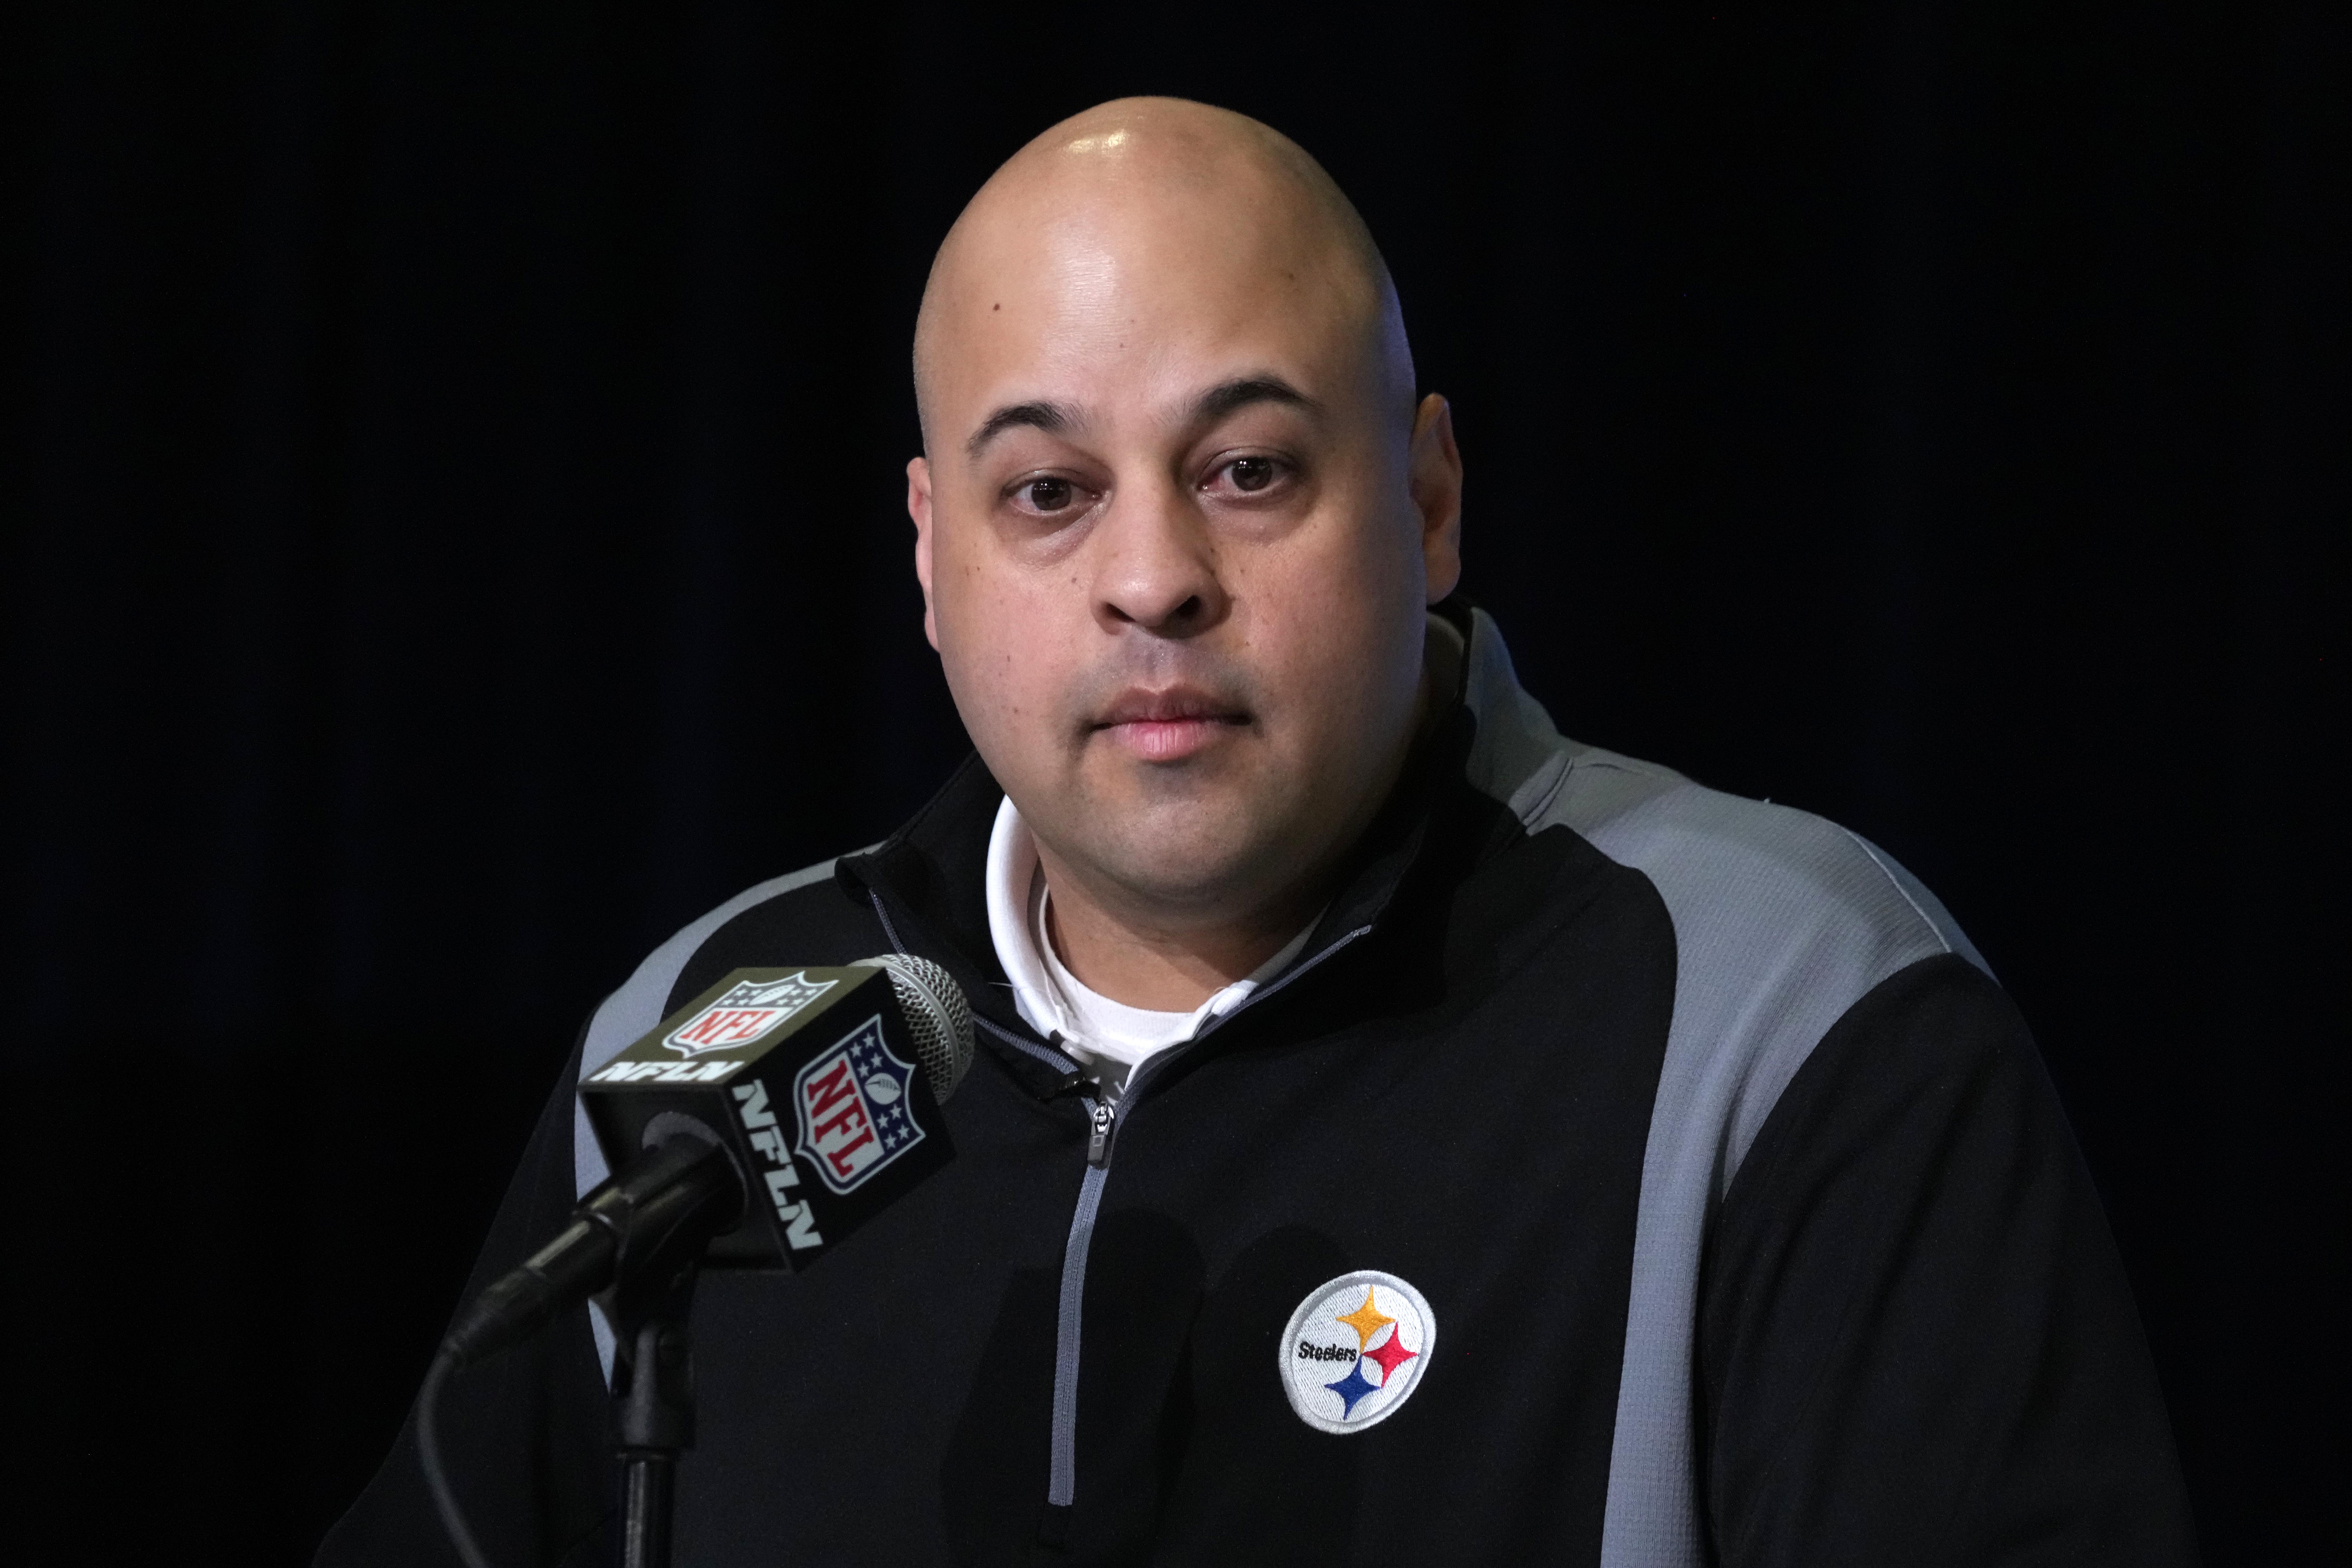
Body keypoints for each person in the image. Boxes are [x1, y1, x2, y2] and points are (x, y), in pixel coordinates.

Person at [319, 97, 2197, 1567]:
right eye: (1048, 492)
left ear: (1429, 496)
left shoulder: (1784, 1007)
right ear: (929, 557)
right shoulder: (702, 1035)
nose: (1153, 577)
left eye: (1247, 470)